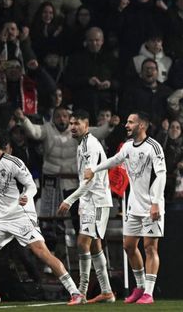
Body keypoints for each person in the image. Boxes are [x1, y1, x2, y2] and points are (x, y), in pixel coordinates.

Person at [0, 129, 84, 306]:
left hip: (21, 216)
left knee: (42, 253)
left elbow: (31, 185)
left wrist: (26, 195)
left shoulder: (13, 162)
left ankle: (75, 292)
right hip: (2, 220)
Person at [84, 111, 166, 304]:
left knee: (150, 248)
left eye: (131, 122)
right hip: (133, 206)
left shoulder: (153, 147)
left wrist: (155, 202)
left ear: (142, 125)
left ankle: (149, 293)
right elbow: (115, 160)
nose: (127, 125)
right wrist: (95, 169)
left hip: (151, 206)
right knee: (129, 246)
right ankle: (140, 287)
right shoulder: (128, 146)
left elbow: (161, 175)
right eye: (127, 122)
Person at [56, 110, 115, 303]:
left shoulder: (91, 145)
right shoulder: (81, 144)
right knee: (95, 244)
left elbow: (89, 181)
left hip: (97, 200)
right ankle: (106, 291)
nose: (72, 127)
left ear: (86, 125)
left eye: (77, 123)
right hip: (89, 201)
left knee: (82, 243)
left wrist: (69, 200)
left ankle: (81, 292)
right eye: (71, 123)